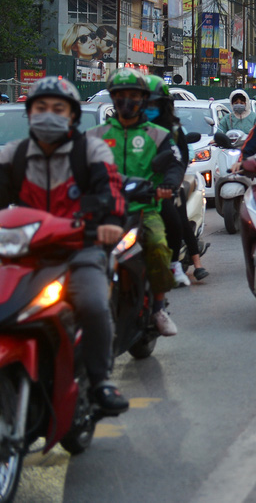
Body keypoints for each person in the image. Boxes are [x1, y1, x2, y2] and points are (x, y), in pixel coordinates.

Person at [0, 77, 130, 417]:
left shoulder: (90, 151)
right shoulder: (14, 154)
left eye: (58, 109)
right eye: (41, 108)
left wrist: (107, 223)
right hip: (20, 252)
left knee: (93, 302)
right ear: (30, 114)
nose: (49, 115)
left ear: (72, 116)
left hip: (79, 248)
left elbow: (110, 193)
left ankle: (100, 380)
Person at [88, 68, 182, 337]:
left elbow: (174, 163)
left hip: (144, 210)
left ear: (143, 99)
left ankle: (158, 307)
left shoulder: (159, 135)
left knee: (157, 245)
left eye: (133, 96)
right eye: (120, 96)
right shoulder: (94, 135)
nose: (127, 101)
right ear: (112, 99)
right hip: (102, 213)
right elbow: (76, 167)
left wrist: (168, 185)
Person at [145, 75, 208, 286]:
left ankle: (196, 264)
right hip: (138, 187)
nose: (148, 108)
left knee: (178, 219)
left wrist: (172, 182)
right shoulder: (132, 129)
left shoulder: (173, 130)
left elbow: (180, 158)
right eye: (145, 103)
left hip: (167, 186)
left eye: (153, 104)